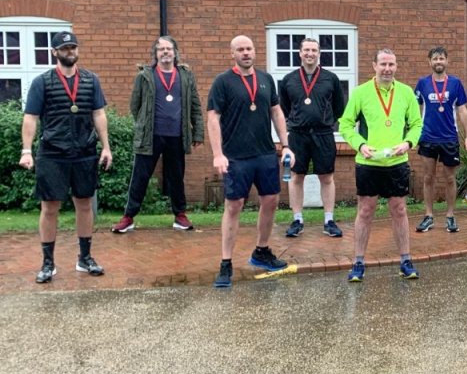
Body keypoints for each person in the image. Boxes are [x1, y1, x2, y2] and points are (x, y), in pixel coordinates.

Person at [19, 31, 112, 284]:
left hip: (84, 152)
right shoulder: (42, 82)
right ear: (54, 52)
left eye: (73, 47)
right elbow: (30, 118)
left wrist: (106, 147)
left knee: (84, 204)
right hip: (52, 153)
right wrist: (26, 151)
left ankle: (85, 258)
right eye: (64, 48)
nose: (70, 51)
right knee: (49, 207)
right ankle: (48, 263)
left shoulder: (91, 81)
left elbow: (99, 114)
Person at [207, 35, 294, 288]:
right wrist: (218, 154)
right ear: (232, 54)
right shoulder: (223, 82)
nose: (246, 53)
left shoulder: (266, 79)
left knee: (271, 200)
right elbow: (213, 118)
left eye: (249, 49)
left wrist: (286, 145)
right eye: (240, 50)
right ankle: (225, 263)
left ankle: (261, 251)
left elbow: (276, 111)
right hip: (235, 156)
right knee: (234, 206)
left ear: (255, 52)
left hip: (265, 153)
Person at [339, 49, 423, 283]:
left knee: (399, 210)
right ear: (374, 65)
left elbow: (416, 124)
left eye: (391, 64)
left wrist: (408, 143)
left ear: (396, 66)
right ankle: (358, 262)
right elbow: (345, 124)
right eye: (383, 64)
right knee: (365, 211)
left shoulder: (406, 92)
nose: (387, 69)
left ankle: (405, 260)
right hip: (368, 162)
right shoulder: (361, 92)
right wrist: (360, 144)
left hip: (397, 162)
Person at [113, 36, 204, 234]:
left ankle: (180, 215)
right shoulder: (145, 76)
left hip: (177, 136)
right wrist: (144, 125)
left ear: (175, 52)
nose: (165, 52)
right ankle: (128, 217)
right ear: (155, 54)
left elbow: (195, 106)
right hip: (150, 137)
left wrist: (197, 132)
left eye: (168, 49)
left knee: (176, 177)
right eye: (161, 49)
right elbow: (134, 105)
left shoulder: (186, 76)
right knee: (140, 177)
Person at [279, 37, 346, 239]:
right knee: (296, 176)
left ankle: (329, 220)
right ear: (299, 53)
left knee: (326, 177)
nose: (310, 53)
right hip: (297, 134)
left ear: (319, 53)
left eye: (314, 50)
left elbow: (338, 108)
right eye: (306, 50)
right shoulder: (289, 79)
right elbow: (284, 108)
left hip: (323, 134)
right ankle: (297, 220)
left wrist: (324, 120)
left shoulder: (330, 78)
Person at [414, 46, 467, 234]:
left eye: (441, 58)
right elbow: (416, 111)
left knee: (450, 179)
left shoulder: (455, 84)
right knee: (428, 178)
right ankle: (429, 215)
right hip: (428, 138)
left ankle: (450, 216)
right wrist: (414, 135)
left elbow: (462, 110)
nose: (438, 62)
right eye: (435, 59)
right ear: (429, 62)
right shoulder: (422, 84)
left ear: (447, 61)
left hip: (449, 138)